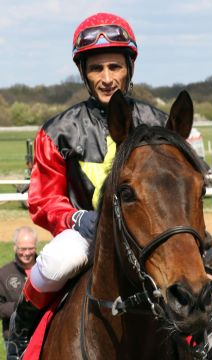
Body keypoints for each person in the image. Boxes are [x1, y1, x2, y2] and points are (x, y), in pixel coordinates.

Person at [7, 12, 168, 359]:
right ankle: (21, 334)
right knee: (54, 263)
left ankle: (208, 339)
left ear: (129, 68)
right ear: (84, 73)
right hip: (85, 235)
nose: (107, 78)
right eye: (97, 69)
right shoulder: (57, 131)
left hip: (146, 231)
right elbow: (43, 200)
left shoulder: (157, 123)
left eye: (115, 67)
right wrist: (77, 219)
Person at [0, 227, 37, 347]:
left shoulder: (46, 270)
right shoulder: (3, 273)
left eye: (30, 248)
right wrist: (20, 307)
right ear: (15, 247)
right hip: (14, 339)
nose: (26, 253)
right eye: (22, 249)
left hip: (42, 335)